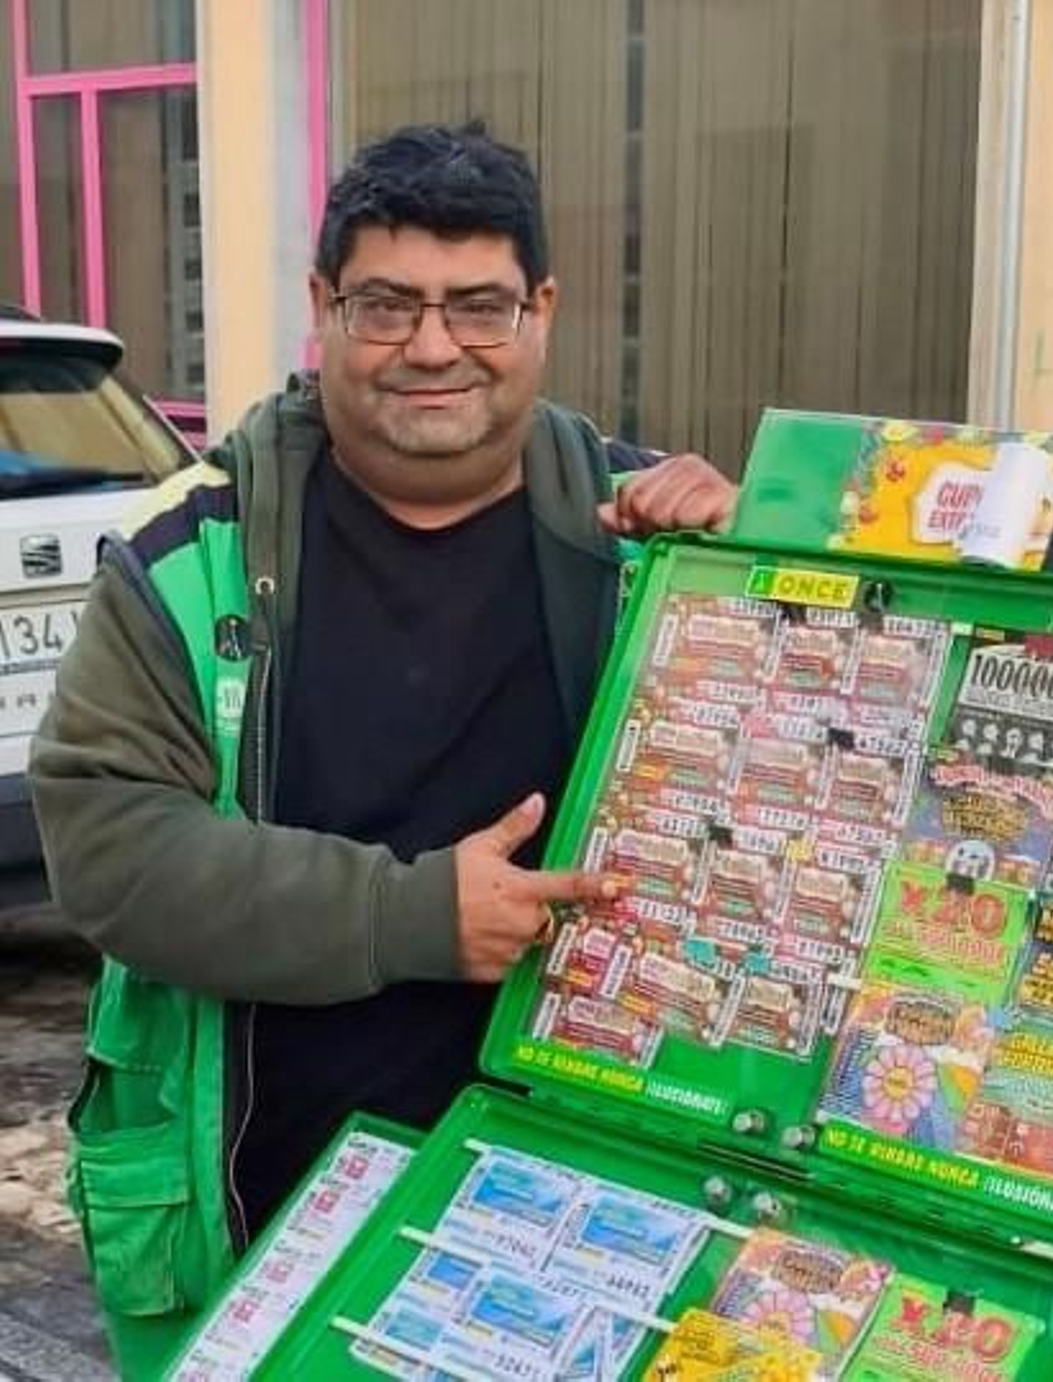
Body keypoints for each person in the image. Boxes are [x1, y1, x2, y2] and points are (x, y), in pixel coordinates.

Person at [28, 121, 736, 1377]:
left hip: (586, 1223)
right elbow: (111, 848)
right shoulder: (189, 552)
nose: (432, 346)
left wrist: (771, 575)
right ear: (324, 307)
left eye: (477, 305)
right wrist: (413, 914)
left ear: (541, 309)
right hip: (262, 1211)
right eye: (387, 304)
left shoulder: (647, 543)